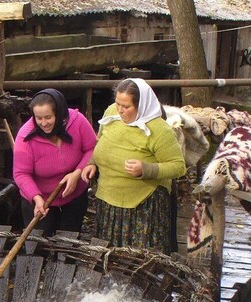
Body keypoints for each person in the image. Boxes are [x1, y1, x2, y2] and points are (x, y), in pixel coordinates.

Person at [81, 78, 186, 254]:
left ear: (142, 105)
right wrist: (92, 163)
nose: (120, 110)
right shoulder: (111, 114)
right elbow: (100, 142)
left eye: (126, 106)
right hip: (109, 202)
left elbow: (178, 167)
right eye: (118, 104)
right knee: (110, 256)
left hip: (143, 206)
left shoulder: (159, 130)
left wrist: (146, 169)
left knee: (138, 258)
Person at [13, 89, 97, 236]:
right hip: (41, 198)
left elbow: (92, 148)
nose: (43, 123)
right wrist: (37, 198)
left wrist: (77, 173)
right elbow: (21, 173)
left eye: (48, 117)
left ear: (59, 113)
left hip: (74, 194)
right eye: (38, 118)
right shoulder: (25, 136)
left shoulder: (77, 121)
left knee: (68, 242)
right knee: (38, 244)